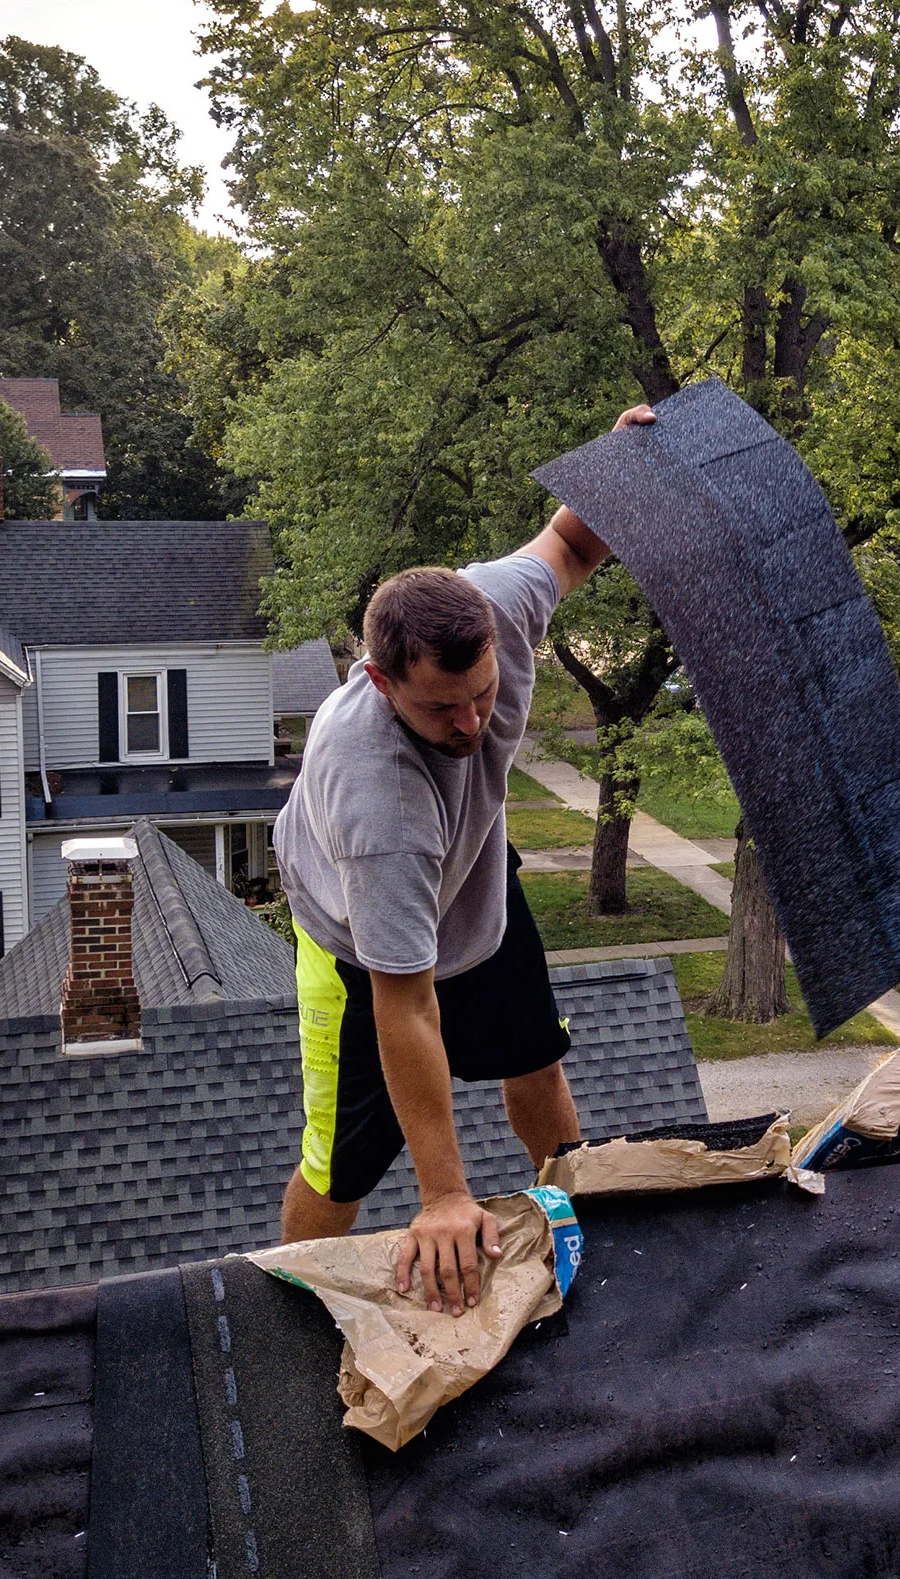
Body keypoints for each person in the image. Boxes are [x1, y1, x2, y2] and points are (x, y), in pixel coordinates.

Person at [273, 404, 654, 1317]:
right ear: (380, 680)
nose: (473, 724)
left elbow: (570, 542)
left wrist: (627, 458)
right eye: (445, 709)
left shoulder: (497, 606)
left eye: (483, 694)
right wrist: (445, 1194)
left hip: (473, 878)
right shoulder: (382, 805)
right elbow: (406, 1003)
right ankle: (278, 1315)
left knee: (534, 1061)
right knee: (341, 1162)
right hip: (359, 946)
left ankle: (574, 1220)